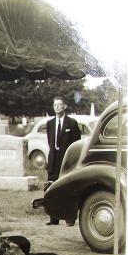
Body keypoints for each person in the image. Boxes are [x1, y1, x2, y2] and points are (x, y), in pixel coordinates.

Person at [45, 96, 81, 225]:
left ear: (65, 106)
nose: (57, 107)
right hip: (53, 161)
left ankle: (70, 219)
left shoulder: (71, 123)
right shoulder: (49, 124)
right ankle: (53, 219)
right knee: (51, 189)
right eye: (55, 105)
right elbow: (51, 143)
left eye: (59, 105)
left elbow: (77, 143)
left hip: (67, 162)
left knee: (69, 189)